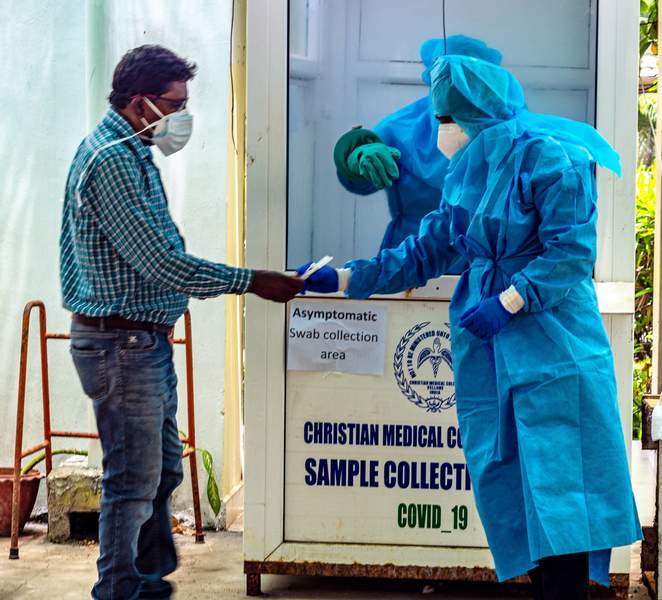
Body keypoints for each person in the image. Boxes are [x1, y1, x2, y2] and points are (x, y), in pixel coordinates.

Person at [300, 55, 642, 599]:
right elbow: (424, 252)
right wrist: (343, 278)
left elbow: (571, 252)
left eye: (445, 118)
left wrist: (509, 299)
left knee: (563, 498)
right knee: (512, 491)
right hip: (492, 356)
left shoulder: (551, 160)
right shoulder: (465, 177)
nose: (439, 131)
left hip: (555, 350)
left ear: (477, 113)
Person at [59, 45, 302, 599]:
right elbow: (162, 262)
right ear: (140, 103)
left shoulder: (132, 150)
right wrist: (251, 280)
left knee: (164, 470)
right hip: (120, 344)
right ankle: (120, 590)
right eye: (175, 103)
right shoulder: (112, 161)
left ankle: (148, 582)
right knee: (134, 481)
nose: (182, 116)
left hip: (141, 342)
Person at [333, 35, 501, 252]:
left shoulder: (506, 124)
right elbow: (362, 181)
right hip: (413, 253)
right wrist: (355, 155)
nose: (459, 84)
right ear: (431, 76)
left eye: (468, 75)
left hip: (488, 257)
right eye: (448, 73)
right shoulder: (403, 127)